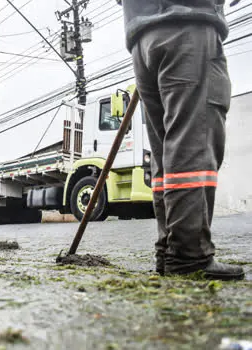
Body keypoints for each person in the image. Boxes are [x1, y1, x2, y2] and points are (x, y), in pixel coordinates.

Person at [120, 0, 244, 280]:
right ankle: (189, 256)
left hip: (142, 38)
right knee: (192, 149)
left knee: (167, 154)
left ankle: (169, 250)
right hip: (187, 27)